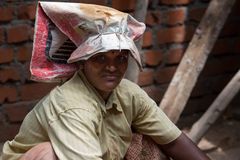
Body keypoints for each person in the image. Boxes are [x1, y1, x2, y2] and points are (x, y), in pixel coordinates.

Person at [2, 2, 210, 160]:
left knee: (146, 143)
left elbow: (174, 141)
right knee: (48, 155)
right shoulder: (73, 107)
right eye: (100, 58)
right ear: (82, 62)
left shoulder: (129, 93)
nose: (112, 67)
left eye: (120, 58)